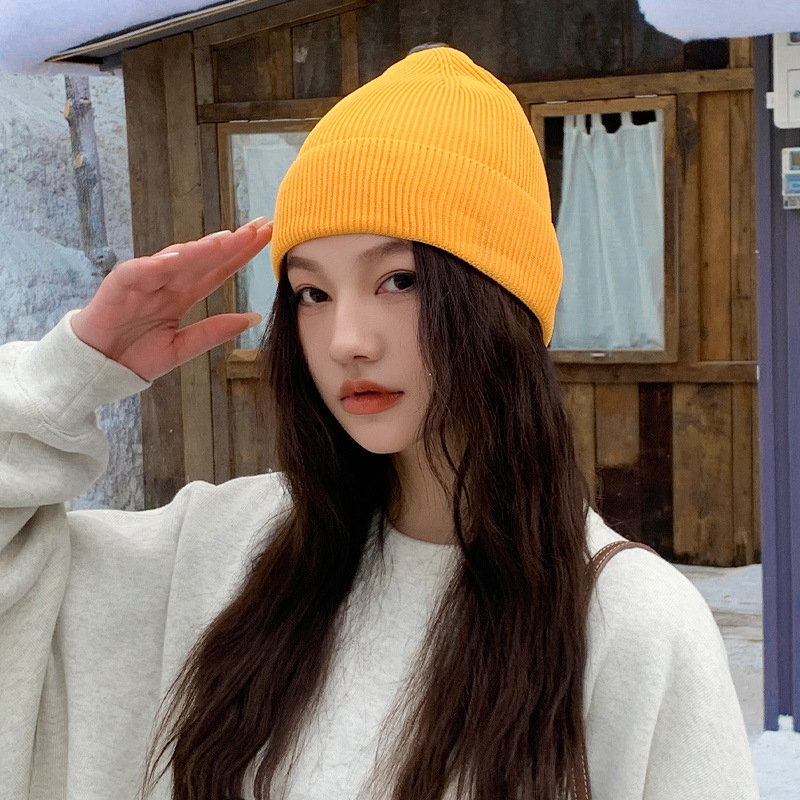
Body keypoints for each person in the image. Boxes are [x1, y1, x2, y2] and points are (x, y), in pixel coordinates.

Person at [0, 45, 759, 800]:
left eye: (399, 280)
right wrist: (65, 376)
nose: (346, 341)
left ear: (500, 304)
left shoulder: (629, 624)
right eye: (313, 293)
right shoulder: (218, 552)